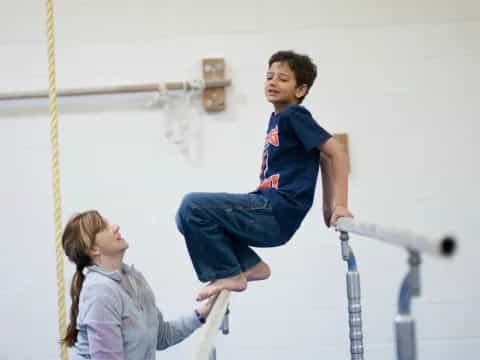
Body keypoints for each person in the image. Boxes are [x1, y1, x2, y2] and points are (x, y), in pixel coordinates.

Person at [176, 50, 353, 302]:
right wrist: (327, 208)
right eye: (269, 76)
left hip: (275, 210)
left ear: (300, 90)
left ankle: (230, 273)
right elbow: (322, 158)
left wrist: (340, 206)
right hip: (268, 207)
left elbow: (336, 153)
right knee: (186, 219)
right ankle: (249, 266)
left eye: (282, 79)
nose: (272, 82)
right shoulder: (278, 118)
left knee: (192, 206)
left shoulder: (294, 115)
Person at [61, 210, 214, 360]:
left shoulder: (135, 279)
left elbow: (161, 336)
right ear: (93, 249)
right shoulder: (99, 292)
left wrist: (202, 314)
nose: (115, 226)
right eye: (104, 227)